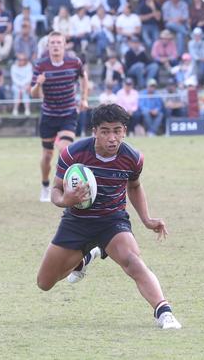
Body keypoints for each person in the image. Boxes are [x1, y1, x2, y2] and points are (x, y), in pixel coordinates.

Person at [35, 103, 182, 330]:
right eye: (105, 131)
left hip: (112, 221)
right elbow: (55, 190)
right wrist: (66, 200)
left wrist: (146, 219)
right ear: (94, 131)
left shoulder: (132, 157)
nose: (112, 138)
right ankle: (86, 257)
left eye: (117, 131)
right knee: (45, 283)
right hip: (76, 221)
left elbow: (134, 186)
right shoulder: (73, 153)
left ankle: (164, 311)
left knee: (132, 261)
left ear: (124, 130)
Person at [31, 31, 89, 202]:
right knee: (47, 155)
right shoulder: (41, 65)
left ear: (64, 45)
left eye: (58, 43)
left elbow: (83, 78)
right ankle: (44, 185)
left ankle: (63, 187)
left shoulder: (74, 62)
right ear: (48, 46)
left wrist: (84, 99)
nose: (55, 46)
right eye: (52, 43)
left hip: (68, 114)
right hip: (49, 115)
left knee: (64, 150)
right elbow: (33, 93)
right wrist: (38, 84)